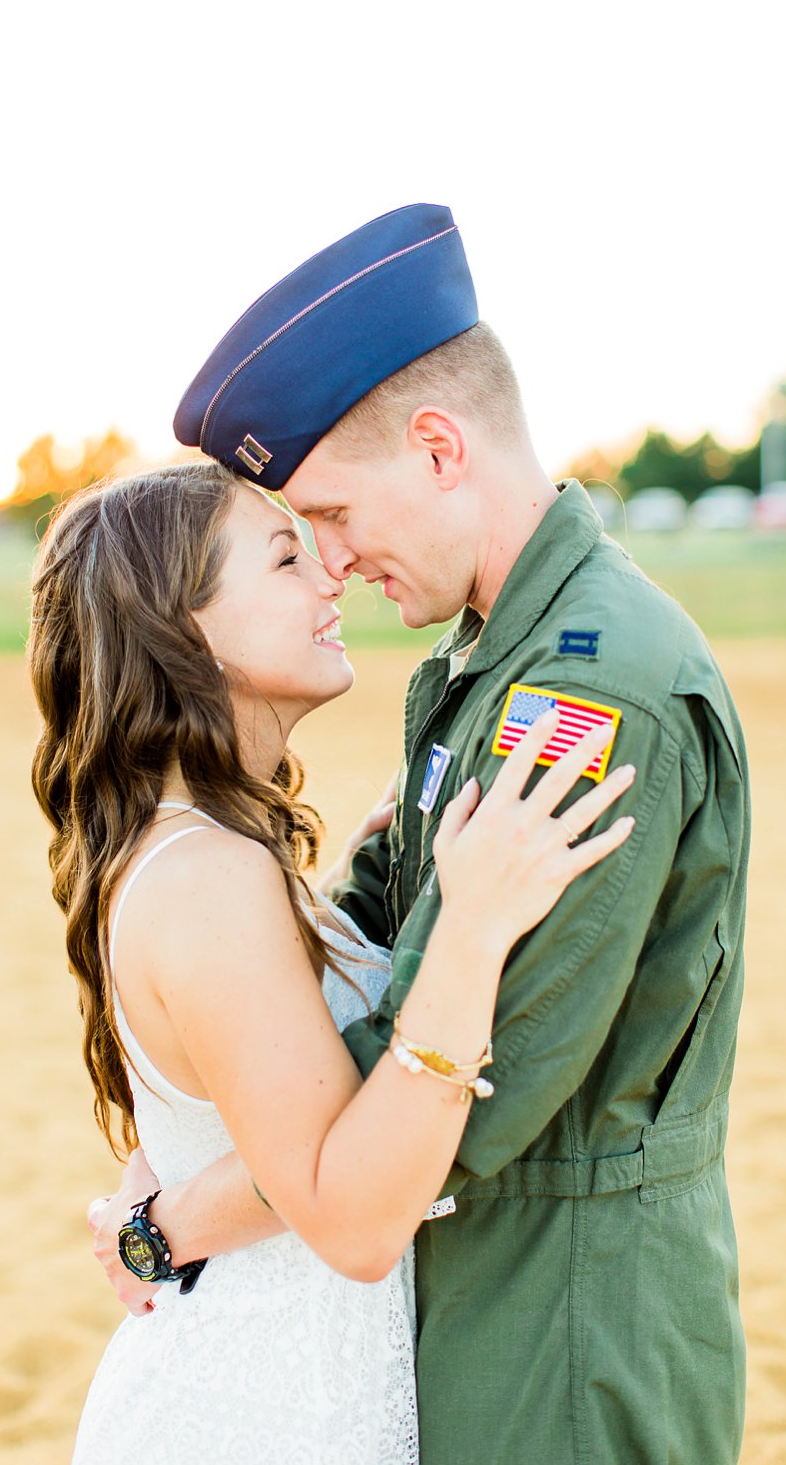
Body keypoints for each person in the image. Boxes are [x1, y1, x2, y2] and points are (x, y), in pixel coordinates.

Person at [85, 205, 751, 1463]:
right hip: (482, 1305)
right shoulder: (490, 661)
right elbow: (392, 929)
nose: (330, 561)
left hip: (561, 1330)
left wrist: (178, 1207)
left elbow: (461, 1081)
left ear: (439, 447)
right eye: (292, 539)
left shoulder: (582, 695)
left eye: (328, 513)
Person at [32, 462, 634, 1462]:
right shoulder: (208, 875)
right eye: (282, 557)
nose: (328, 579)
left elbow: (227, 1108)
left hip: (288, 1391)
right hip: (258, 1414)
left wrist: (158, 1216)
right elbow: (349, 1218)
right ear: (185, 630)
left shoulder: (198, 849)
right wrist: (470, 929)